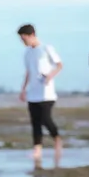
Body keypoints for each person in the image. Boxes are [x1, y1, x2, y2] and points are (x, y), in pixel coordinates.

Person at [17, 24, 63, 164]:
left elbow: (59, 65)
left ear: (32, 35)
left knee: (45, 119)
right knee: (35, 122)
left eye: (24, 39)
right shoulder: (27, 53)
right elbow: (28, 72)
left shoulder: (46, 48)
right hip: (33, 93)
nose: (23, 42)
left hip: (46, 93)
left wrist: (50, 76)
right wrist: (23, 89)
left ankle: (57, 139)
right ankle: (37, 149)